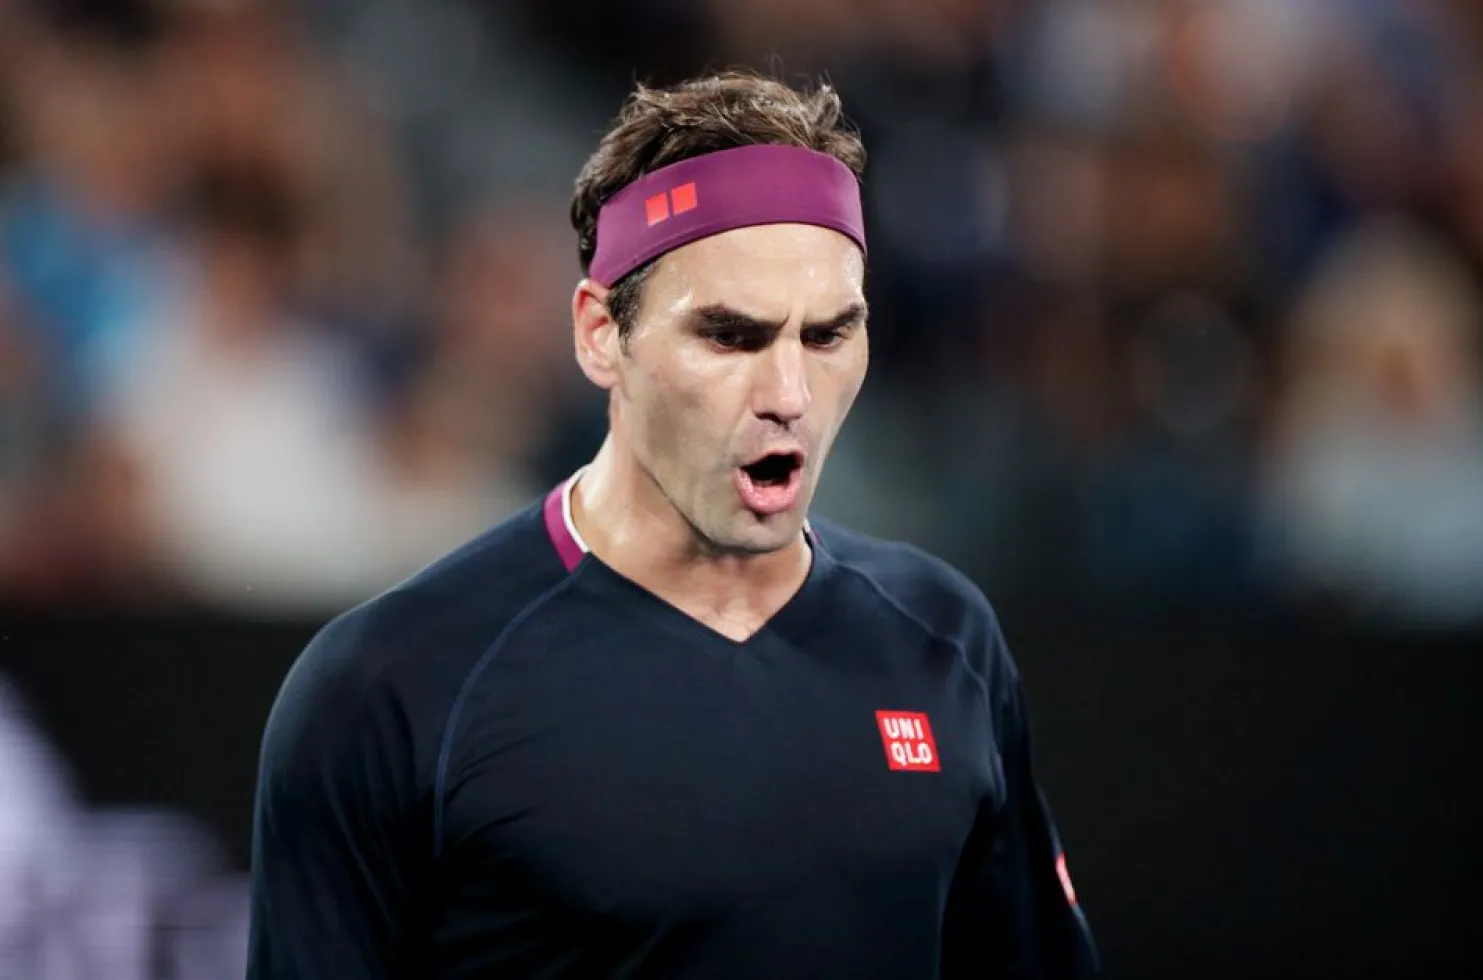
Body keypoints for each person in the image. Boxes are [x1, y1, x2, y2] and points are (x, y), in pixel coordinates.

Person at [247, 71, 1099, 979]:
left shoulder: (948, 640)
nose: (788, 396)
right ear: (600, 334)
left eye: (827, 335)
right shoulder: (387, 689)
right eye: (732, 337)